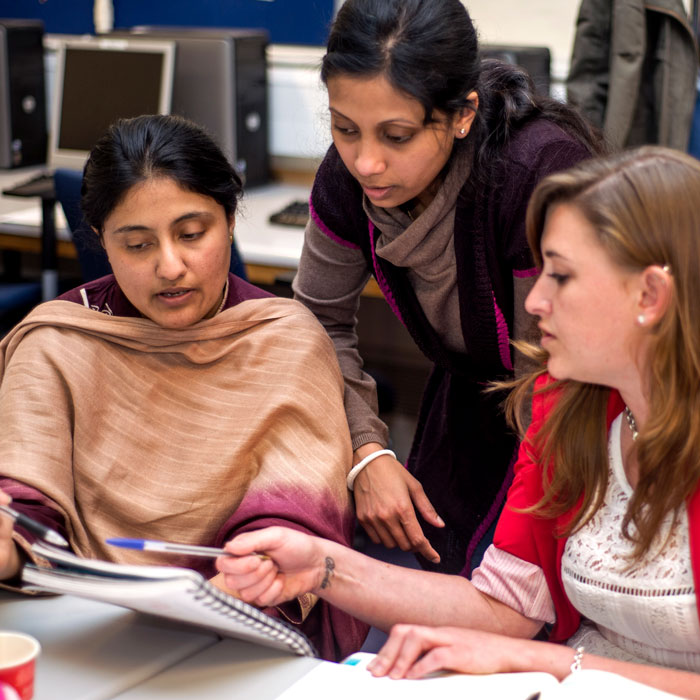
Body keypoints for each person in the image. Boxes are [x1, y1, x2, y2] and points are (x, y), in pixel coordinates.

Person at [215, 147, 700, 697]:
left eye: (561, 276)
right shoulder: (569, 405)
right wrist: (321, 567)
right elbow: (505, 609)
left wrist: (545, 662)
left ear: (651, 295)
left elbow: (517, 642)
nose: (536, 301)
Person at [0, 114, 367, 661]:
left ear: (230, 221)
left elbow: (290, 518)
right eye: (137, 245)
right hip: (85, 633)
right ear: (101, 240)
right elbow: (27, 509)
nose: (170, 266)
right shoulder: (58, 341)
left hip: (246, 629)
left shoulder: (284, 340)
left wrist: (236, 590)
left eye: (192, 235)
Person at [293, 0, 605, 574]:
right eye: (344, 129)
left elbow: (558, 369)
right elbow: (315, 321)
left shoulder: (534, 174)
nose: (365, 162)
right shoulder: (346, 180)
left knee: (515, 603)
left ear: (462, 115)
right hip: (468, 404)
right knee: (437, 583)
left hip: (567, 416)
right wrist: (366, 450)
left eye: (397, 135)